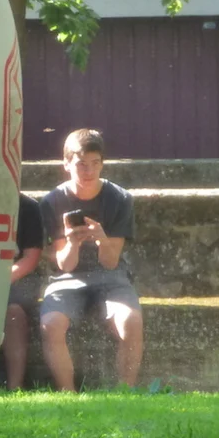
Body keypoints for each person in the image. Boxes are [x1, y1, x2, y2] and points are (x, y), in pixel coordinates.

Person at [38, 129, 143, 392]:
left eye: (95, 163)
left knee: (131, 321)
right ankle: (68, 393)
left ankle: (126, 393)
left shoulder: (119, 198)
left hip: (111, 276)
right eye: (81, 164)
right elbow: (64, 265)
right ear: (66, 164)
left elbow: (111, 262)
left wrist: (101, 239)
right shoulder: (52, 201)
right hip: (67, 278)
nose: (89, 171)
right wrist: (72, 242)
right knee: (50, 325)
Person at [0, 193, 44, 390]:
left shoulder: (28, 207)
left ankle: (14, 386)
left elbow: (30, 259)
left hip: (18, 278)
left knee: (14, 313)